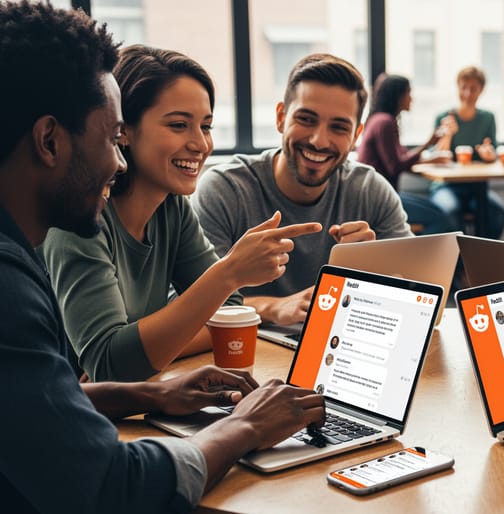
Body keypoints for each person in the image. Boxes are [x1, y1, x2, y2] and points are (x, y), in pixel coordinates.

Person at [0, 3, 324, 511]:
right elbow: (114, 485)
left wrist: (149, 395)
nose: (118, 158)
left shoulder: (21, 253)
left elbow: (30, 403)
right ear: (48, 140)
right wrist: (245, 426)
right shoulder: (10, 286)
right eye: (111, 137)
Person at [41, 45, 317, 382]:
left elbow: (228, 309)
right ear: (122, 129)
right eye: (178, 125)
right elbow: (109, 364)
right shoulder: (79, 221)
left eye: (206, 126)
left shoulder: (170, 208)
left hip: (132, 400)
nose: (200, 144)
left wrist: (146, 348)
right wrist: (228, 272)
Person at [195, 54, 413, 327]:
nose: (319, 140)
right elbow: (194, 304)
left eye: (338, 127)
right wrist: (272, 308)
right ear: (280, 118)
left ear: (356, 136)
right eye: (306, 119)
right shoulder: (225, 190)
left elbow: (416, 298)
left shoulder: (371, 190)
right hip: (244, 356)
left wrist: (376, 274)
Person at [355, 73, 455, 235]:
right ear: (398, 96)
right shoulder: (385, 123)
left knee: (440, 212)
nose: (412, 98)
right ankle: (422, 259)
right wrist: (429, 143)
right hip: (378, 198)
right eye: (408, 93)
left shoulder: (379, 119)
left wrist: (430, 159)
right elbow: (396, 166)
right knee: (441, 218)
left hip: (381, 193)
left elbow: (399, 159)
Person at [430, 66, 504, 238]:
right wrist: (447, 135)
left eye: (473, 89)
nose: (467, 93)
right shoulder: (444, 117)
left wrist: (489, 156)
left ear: (481, 91)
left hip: (477, 186)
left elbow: (491, 155)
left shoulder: (487, 118)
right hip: (447, 185)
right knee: (449, 211)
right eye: (463, 87)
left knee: (497, 212)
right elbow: (434, 159)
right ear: (457, 87)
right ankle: (458, 263)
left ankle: (483, 257)